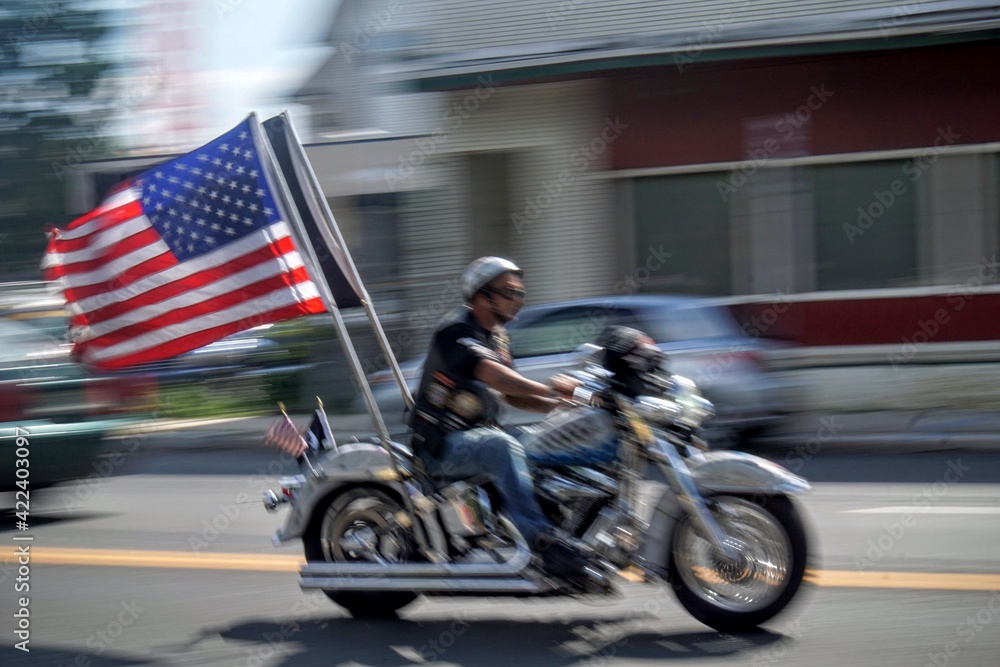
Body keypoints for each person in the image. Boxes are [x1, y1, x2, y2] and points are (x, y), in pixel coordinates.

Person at [408, 256, 591, 579]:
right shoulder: (456, 332)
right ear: (483, 296)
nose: (518, 300)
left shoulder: (498, 337)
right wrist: (551, 388)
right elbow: (497, 378)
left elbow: (513, 396)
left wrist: (562, 406)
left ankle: (567, 522)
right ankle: (542, 543)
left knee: (546, 440)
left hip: (479, 434)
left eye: (520, 293)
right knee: (501, 446)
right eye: (509, 292)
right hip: (440, 445)